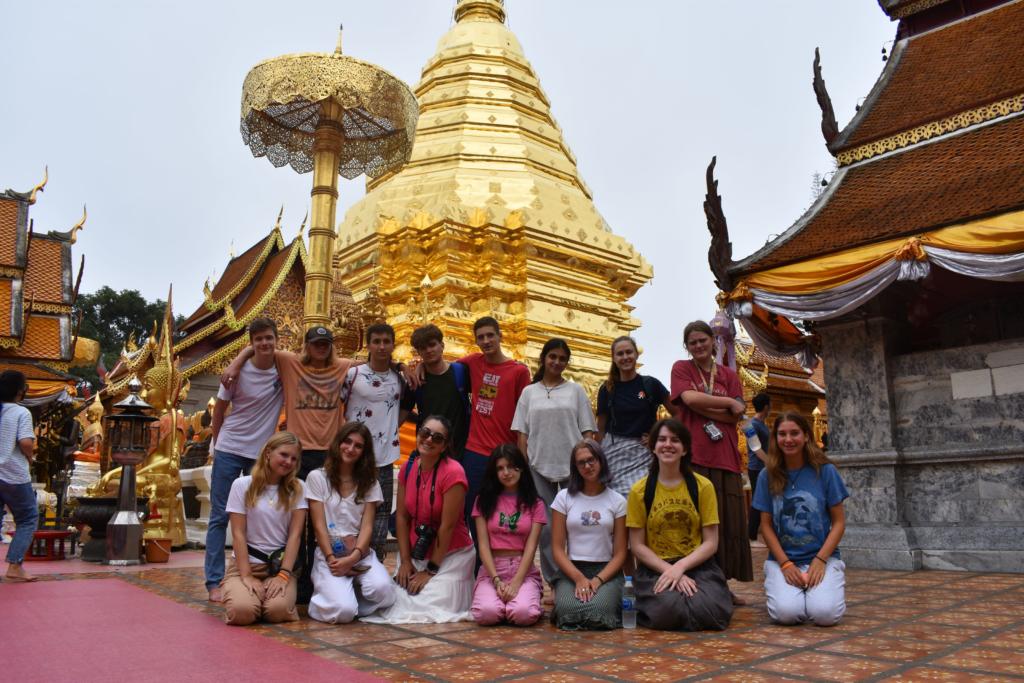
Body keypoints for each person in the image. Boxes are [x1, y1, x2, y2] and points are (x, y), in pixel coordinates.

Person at [670, 320, 753, 603]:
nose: (698, 346)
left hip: (725, 456)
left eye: (702, 340)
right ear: (687, 346)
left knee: (725, 523)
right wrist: (726, 404)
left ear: (712, 341)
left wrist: (714, 408)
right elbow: (689, 399)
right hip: (694, 456)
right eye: (692, 342)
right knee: (694, 522)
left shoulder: (729, 375)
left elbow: (738, 413)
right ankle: (695, 584)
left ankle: (722, 586)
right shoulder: (682, 368)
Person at [363, 416, 475, 623]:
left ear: (444, 446)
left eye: (437, 438)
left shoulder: (454, 472)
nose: (429, 439)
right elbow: (402, 516)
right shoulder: (408, 468)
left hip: (450, 554)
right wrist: (405, 561)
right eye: (425, 433)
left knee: (431, 605)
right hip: (416, 552)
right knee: (395, 600)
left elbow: (447, 526)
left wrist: (430, 571)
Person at [626, 418, 733, 631]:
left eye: (675, 440)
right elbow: (637, 546)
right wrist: (670, 570)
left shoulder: (703, 487)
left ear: (684, 449)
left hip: (697, 565)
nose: (668, 445)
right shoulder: (639, 491)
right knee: (668, 608)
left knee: (709, 609)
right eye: (662, 439)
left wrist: (681, 568)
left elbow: (711, 542)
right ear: (653, 447)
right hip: (656, 567)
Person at [205, 317, 283, 603]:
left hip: (260, 455)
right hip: (229, 448)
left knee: (257, 516)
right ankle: (214, 581)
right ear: (251, 343)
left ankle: (250, 572)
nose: (264, 343)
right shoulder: (236, 373)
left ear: (277, 340)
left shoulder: (283, 370)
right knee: (219, 516)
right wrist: (217, 444)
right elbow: (218, 410)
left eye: (269, 338)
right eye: (258, 339)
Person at [511, 338, 596, 583]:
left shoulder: (575, 391)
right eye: (553, 357)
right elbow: (522, 434)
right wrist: (524, 468)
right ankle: (555, 581)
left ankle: (581, 577)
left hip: (574, 466)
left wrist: (587, 463)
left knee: (578, 524)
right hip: (538, 466)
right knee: (546, 528)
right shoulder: (529, 392)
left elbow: (587, 432)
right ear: (544, 358)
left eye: (562, 359)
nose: (557, 362)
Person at [753, 412, 849, 627]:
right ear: (775, 438)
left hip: (822, 557)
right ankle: (794, 591)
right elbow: (766, 526)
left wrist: (821, 560)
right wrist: (785, 564)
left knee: (825, 615)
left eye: (794, 433)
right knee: (786, 614)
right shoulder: (767, 475)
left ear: (806, 436)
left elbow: (839, 523)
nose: (788, 439)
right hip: (783, 560)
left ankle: (822, 589)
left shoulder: (826, 471)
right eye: (782, 434)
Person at [306, 422, 396, 623]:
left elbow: (367, 527)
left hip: (359, 552)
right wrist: (332, 559)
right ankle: (329, 603)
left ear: (364, 452)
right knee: (343, 612)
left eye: (358, 446)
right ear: (338, 443)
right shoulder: (317, 477)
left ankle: (351, 598)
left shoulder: (370, 482)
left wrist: (353, 558)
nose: (351, 448)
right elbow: (319, 526)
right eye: (347, 442)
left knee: (385, 593)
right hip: (330, 554)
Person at [341, 323, 413, 560]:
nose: (382, 347)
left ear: (393, 345)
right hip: (353, 455)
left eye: (386, 342)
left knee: (381, 510)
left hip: (384, 456)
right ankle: (347, 558)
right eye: (377, 341)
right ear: (368, 345)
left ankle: (375, 561)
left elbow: (405, 407)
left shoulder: (399, 379)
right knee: (350, 508)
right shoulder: (353, 375)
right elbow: (337, 406)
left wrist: (391, 429)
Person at [221, 432, 307, 625]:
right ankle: (243, 594)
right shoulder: (242, 485)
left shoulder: (298, 488)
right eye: (283, 455)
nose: (288, 462)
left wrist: (283, 575)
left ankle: (263, 600)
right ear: (268, 453)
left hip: (279, 566)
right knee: (242, 612)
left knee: (277, 611)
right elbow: (238, 534)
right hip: (245, 565)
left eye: (294, 458)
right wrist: (247, 576)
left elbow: (295, 535)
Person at [457, 317, 531, 527]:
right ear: (476, 341)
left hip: (505, 452)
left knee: (504, 513)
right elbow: (442, 368)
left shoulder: (519, 371)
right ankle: (480, 549)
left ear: (500, 336)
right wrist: (413, 367)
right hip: (475, 451)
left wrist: (522, 456)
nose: (486, 341)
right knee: (473, 511)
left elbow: (525, 416)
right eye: (481, 337)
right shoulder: (473, 362)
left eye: (490, 335)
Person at [549, 440, 628, 630]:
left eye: (591, 460)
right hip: (572, 570)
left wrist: (598, 580)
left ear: (601, 461)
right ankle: (562, 594)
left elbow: (620, 553)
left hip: (606, 571)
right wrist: (578, 578)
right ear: (575, 468)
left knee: (601, 610)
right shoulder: (563, 498)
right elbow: (557, 549)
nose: (587, 466)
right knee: (567, 609)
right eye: (581, 462)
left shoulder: (617, 501)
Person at [471, 444, 546, 626]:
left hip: (522, 569)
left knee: (523, 614)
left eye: (512, 466)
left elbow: (531, 547)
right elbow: (483, 546)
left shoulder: (535, 503)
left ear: (522, 468)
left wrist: (517, 582)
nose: (506, 472)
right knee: (486, 614)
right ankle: (503, 603)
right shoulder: (483, 500)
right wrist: (496, 580)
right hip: (492, 570)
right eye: (500, 468)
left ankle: (520, 601)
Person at [596, 336, 673, 496]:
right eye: (620, 354)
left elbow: (678, 414)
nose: (625, 357)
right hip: (613, 452)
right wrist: (597, 458)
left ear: (636, 354)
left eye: (629, 352)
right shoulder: (607, 389)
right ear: (613, 358)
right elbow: (600, 429)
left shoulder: (651, 384)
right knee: (614, 501)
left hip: (643, 452)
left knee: (640, 496)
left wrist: (658, 436)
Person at [409, 324, 471, 458]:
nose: (428, 350)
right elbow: (403, 410)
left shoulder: (461, 372)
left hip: (459, 449)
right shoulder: (417, 381)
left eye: (432, 345)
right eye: (423, 348)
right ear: (419, 352)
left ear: (442, 346)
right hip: (429, 449)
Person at [0, 370, 37, 583]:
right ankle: (15, 565)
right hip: (12, 473)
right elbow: (25, 442)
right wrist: (30, 457)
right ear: (20, 391)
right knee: (27, 518)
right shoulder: (21, 412)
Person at [746, 392, 771, 542]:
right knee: (757, 500)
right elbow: (756, 448)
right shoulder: (752, 425)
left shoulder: (762, 424)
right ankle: (751, 534)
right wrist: (770, 462)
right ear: (766, 407)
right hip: (756, 467)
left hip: (764, 466)